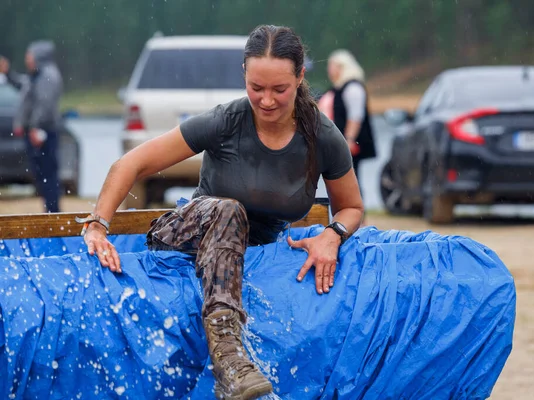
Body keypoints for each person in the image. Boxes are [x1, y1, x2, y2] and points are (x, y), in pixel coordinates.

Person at [79, 25, 364, 400]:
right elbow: (129, 165)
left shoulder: (321, 136)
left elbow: (352, 207)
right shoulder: (224, 121)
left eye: (279, 89)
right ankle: (228, 356)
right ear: (244, 74)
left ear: (300, 77)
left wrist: (333, 234)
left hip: (256, 248)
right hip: (187, 234)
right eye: (256, 88)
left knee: (238, 218)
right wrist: (98, 226)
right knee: (230, 210)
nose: (266, 101)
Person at [0, 40, 64, 213]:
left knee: (48, 174)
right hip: (38, 132)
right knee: (42, 174)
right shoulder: (37, 75)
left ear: (39, 56)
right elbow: (23, 86)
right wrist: (8, 74)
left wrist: (36, 128)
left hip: (44, 133)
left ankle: (53, 211)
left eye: (30, 55)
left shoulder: (48, 76)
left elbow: (45, 104)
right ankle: (50, 210)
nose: (27, 59)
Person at [325, 49, 376, 198]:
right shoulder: (338, 88)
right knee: (344, 178)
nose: (329, 70)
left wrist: (349, 139)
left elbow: (355, 116)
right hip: (342, 140)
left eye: (332, 66)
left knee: (352, 178)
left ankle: (358, 214)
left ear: (342, 67)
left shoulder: (353, 88)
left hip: (351, 141)